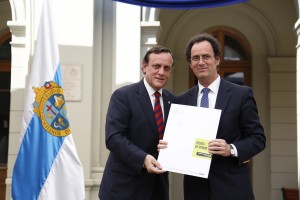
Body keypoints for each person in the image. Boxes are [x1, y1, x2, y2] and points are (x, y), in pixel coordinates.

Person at [159, 33, 266, 200]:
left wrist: (231, 149)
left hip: (233, 187)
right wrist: (168, 147)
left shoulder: (241, 94)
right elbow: (179, 142)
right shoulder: (181, 101)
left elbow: (258, 139)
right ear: (190, 64)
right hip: (196, 189)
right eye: (195, 58)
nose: (201, 62)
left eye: (206, 56)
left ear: (217, 60)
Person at [99, 46, 176, 200]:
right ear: (144, 66)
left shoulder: (173, 101)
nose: (161, 72)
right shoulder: (123, 96)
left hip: (157, 189)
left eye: (166, 68)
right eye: (156, 66)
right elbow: (114, 138)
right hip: (124, 189)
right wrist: (143, 159)